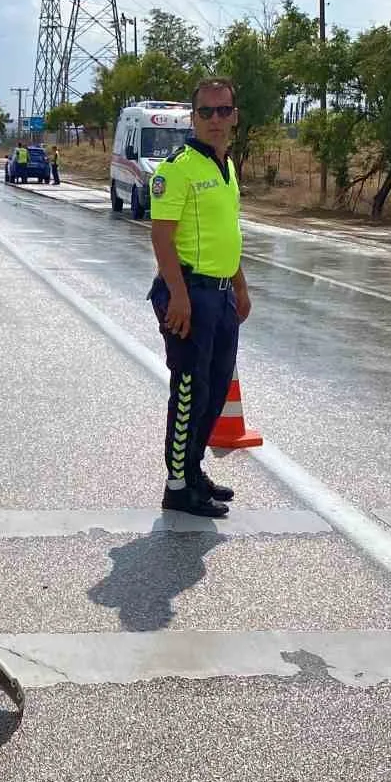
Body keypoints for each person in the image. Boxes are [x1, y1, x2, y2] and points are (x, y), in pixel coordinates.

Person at [146, 76, 251, 518]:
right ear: (193, 118)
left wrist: (241, 287)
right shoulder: (179, 167)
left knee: (212, 391)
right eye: (206, 112)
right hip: (190, 295)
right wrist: (179, 296)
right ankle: (177, 486)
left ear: (234, 117)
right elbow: (161, 237)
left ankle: (193, 470)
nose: (215, 119)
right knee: (189, 390)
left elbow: (228, 233)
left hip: (222, 295)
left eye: (223, 111)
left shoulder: (225, 167)